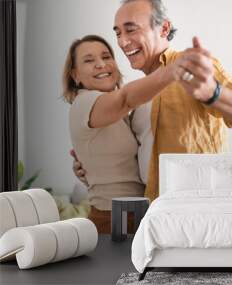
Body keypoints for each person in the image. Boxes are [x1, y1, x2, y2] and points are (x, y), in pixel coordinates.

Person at [73, 0, 232, 202]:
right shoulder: (140, 94)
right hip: (156, 211)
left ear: (164, 28)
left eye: (131, 30)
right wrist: (92, 166)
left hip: (199, 208)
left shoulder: (192, 67)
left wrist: (214, 93)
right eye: (118, 33)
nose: (123, 42)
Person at [63, 34, 181, 232]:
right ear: (75, 75)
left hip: (140, 214)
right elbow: (125, 99)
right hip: (111, 219)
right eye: (89, 60)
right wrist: (174, 69)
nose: (101, 64)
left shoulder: (125, 113)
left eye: (106, 57)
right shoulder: (83, 103)